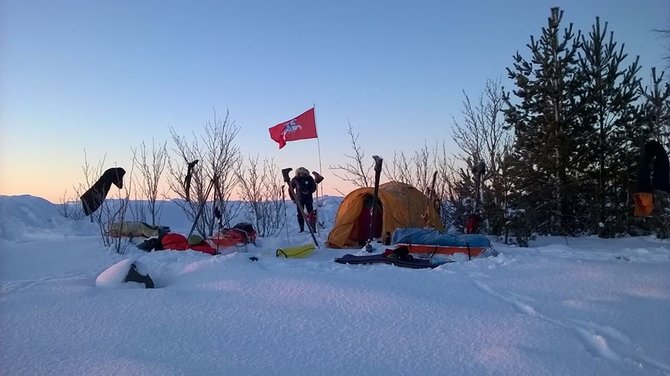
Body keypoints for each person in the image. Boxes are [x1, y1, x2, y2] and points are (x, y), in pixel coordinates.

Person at [290, 167, 317, 232]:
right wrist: (293, 199)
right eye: (300, 173)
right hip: (299, 199)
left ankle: (313, 228)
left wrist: (309, 191)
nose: (302, 174)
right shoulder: (295, 179)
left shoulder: (310, 178)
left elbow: (313, 187)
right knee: (300, 214)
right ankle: (301, 228)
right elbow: (290, 189)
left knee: (311, 213)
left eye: (303, 173)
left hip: (308, 198)